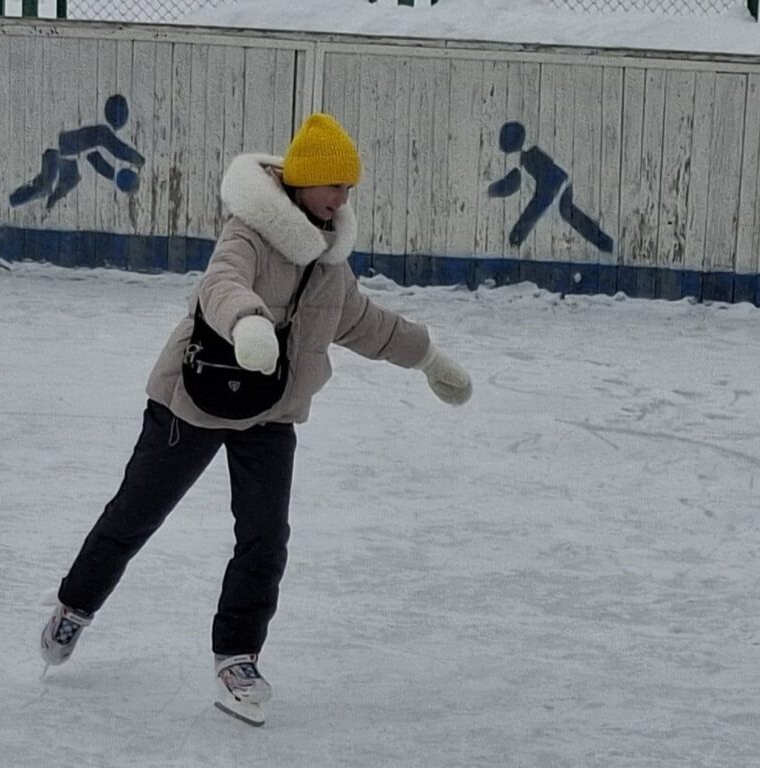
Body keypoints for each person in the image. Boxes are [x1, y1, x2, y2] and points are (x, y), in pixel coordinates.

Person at [39, 113, 472, 726]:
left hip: (270, 413)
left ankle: (237, 657)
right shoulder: (249, 233)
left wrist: (429, 358)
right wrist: (247, 321)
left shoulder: (329, 263)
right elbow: (220, 282)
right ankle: (74, 607)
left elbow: (364, 324)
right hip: (192, 399)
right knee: (135, 516)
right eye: (331, 186)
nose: (341, 200)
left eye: (348, 189)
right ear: (299, 184)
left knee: (265, 539)